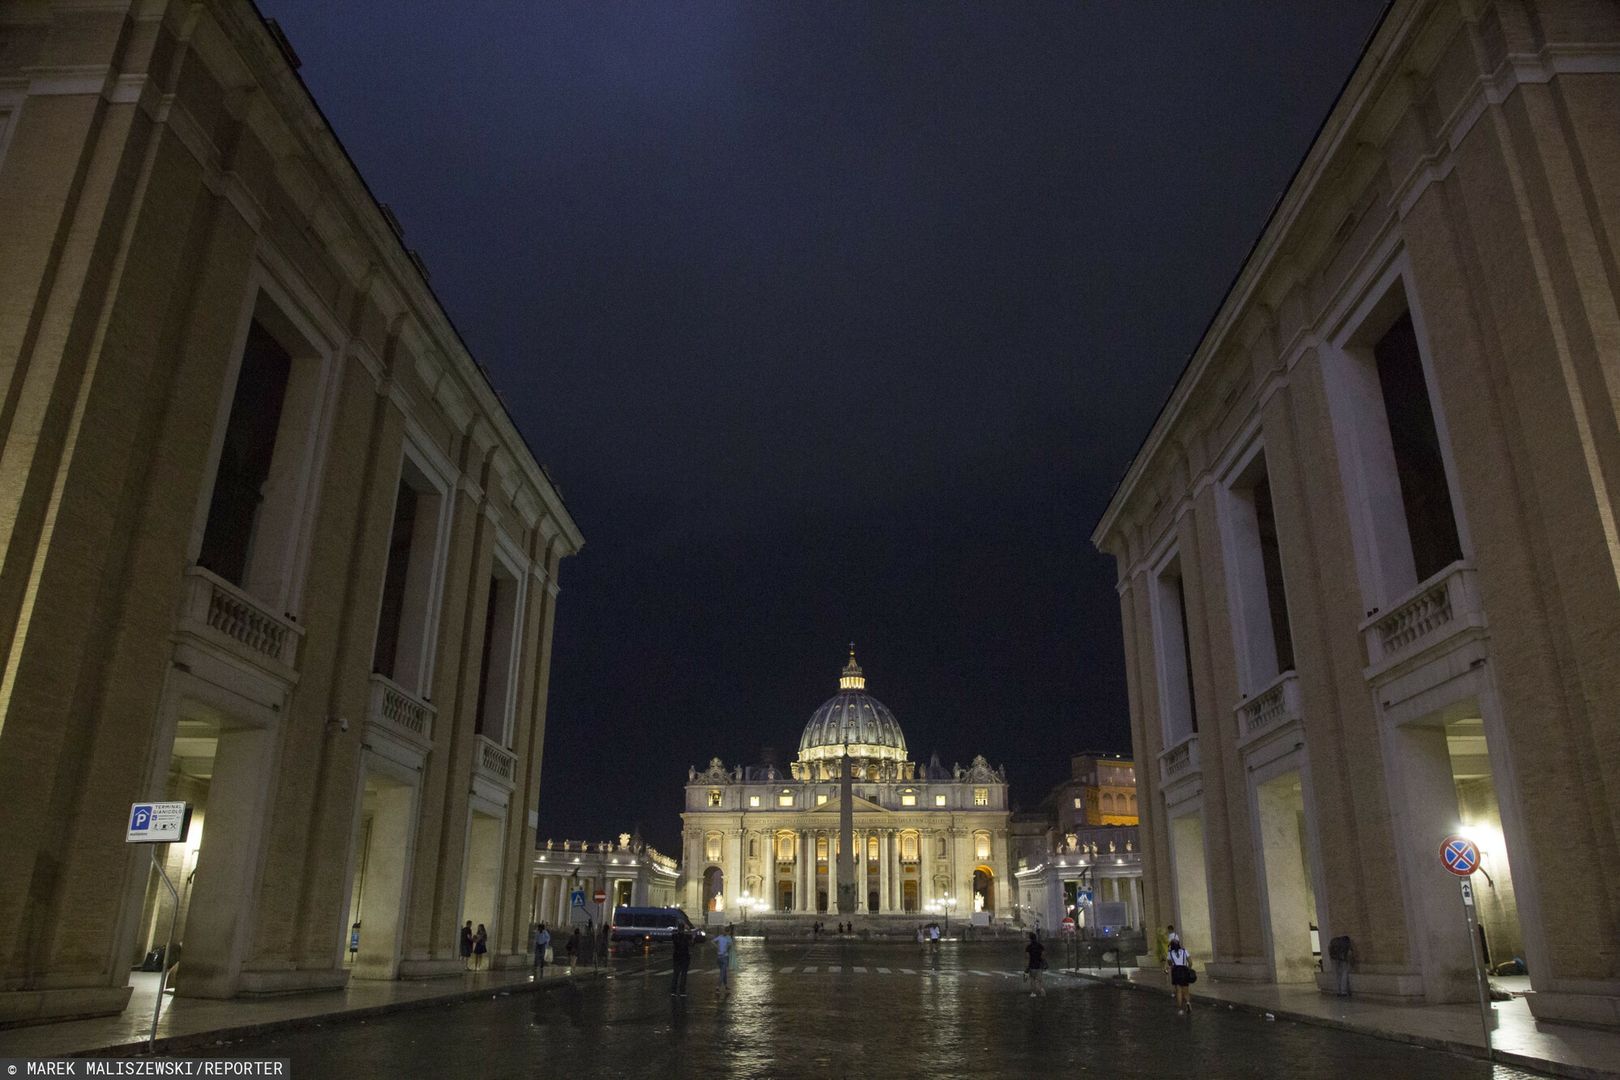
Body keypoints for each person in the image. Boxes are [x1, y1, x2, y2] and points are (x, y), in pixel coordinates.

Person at [1167, 939, 1195, 1014]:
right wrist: (1188, 969)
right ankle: (1188, 1003)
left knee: (1178, 991)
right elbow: (1190, 962)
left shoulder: (1170, 953)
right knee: (1186, 990)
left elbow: (1169, 963)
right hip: (1184, 970)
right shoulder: (1184, 951)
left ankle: (1180, 1009)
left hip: (1176, 971)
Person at [670, 925, 692, 996]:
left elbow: (672, 934)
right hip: (685, 957)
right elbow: (691, 942)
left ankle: (673, 991)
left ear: (678, 929)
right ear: (684, 929)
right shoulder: (687, 937)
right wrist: (689, 930)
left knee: (675, 974)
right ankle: (682, 991)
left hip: (676, 956)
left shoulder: (675, 936)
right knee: (683, 975)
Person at [713, 924, 734, 997]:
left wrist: (717, 947)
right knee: (723, 972)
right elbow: (729, 947)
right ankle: (718, 987)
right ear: (728, 932)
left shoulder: (720, 937)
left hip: (719, 957)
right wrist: (725, 951)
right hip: (725, 957)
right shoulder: (729, 938)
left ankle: (726, 986)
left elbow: (712, 941)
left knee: (724, 971)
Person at [1026, 932, 1047, 997]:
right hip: (1039, 965)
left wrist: (1026, 967)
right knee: (1039, 980)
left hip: (1032, 965)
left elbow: (1027, 957)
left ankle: (1033, 993)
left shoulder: (1028, 947)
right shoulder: (1040, 946)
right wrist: (1044, 963)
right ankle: (1041, 990)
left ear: (1030, 939)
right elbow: (1043, 956)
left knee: (1032, 980)